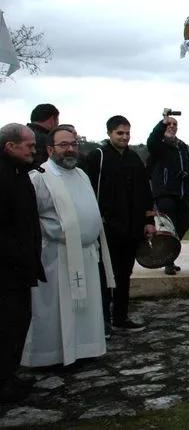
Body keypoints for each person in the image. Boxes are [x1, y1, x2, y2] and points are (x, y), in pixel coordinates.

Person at [21, 127, 114, 367]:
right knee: (57, 308)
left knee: (86, 306)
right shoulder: (40, 177)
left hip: (86, 253)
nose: (70, 149)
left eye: (73, 144)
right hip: (57, 256)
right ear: (49, 149)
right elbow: (30, 216)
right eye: (63, 145)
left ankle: (85, 348)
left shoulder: (81, 174)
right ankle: (53, 356)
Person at [81, 115, 154, 335]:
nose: (124, 137)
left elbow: (145, 192)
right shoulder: (98, 157)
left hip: (131, 227)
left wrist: (149, 221)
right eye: (119, 133)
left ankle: (120, 317)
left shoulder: (134, 158)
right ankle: (102, 321)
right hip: (106, 228)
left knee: (124, 274)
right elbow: (86, 190)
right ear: (109, 133)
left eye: (127, 133)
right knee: (104, 275)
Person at [0, 123, 44, 403]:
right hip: (7, 268)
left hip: (20, 265)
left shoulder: (18, 172)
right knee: (6, 325)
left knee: (19, 322)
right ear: (10, 146)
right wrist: (18, 254)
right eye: (29, 146)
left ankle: (9, 374)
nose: (33, 151)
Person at [146, 113, 189, 275]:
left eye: (175, 124)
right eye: (169, 124)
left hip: (183, 194)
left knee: (183, 226)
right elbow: (151, 142)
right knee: (168, 228)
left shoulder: (181, 146)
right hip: (165, 194)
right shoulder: (158, 146)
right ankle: (168, 261)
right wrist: (162, 123)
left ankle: (169, 253)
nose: (172, 126)